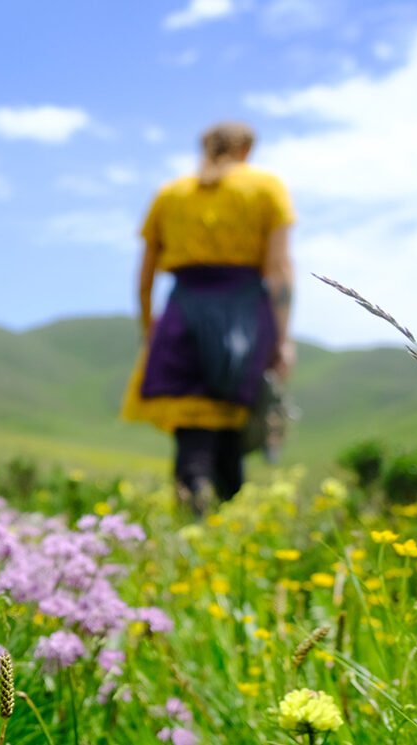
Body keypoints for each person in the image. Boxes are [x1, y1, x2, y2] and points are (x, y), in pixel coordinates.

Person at [121, 121, 295, 510]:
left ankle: (194, 502)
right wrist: (282, 339)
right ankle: (225, 514)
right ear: (247, 151)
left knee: (192, 422)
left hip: (184, 313)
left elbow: (145, 276)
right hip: (246, 315)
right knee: (232, 416)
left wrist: (149, 327)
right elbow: (279, 270)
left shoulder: (170, 195)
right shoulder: (267, 188)